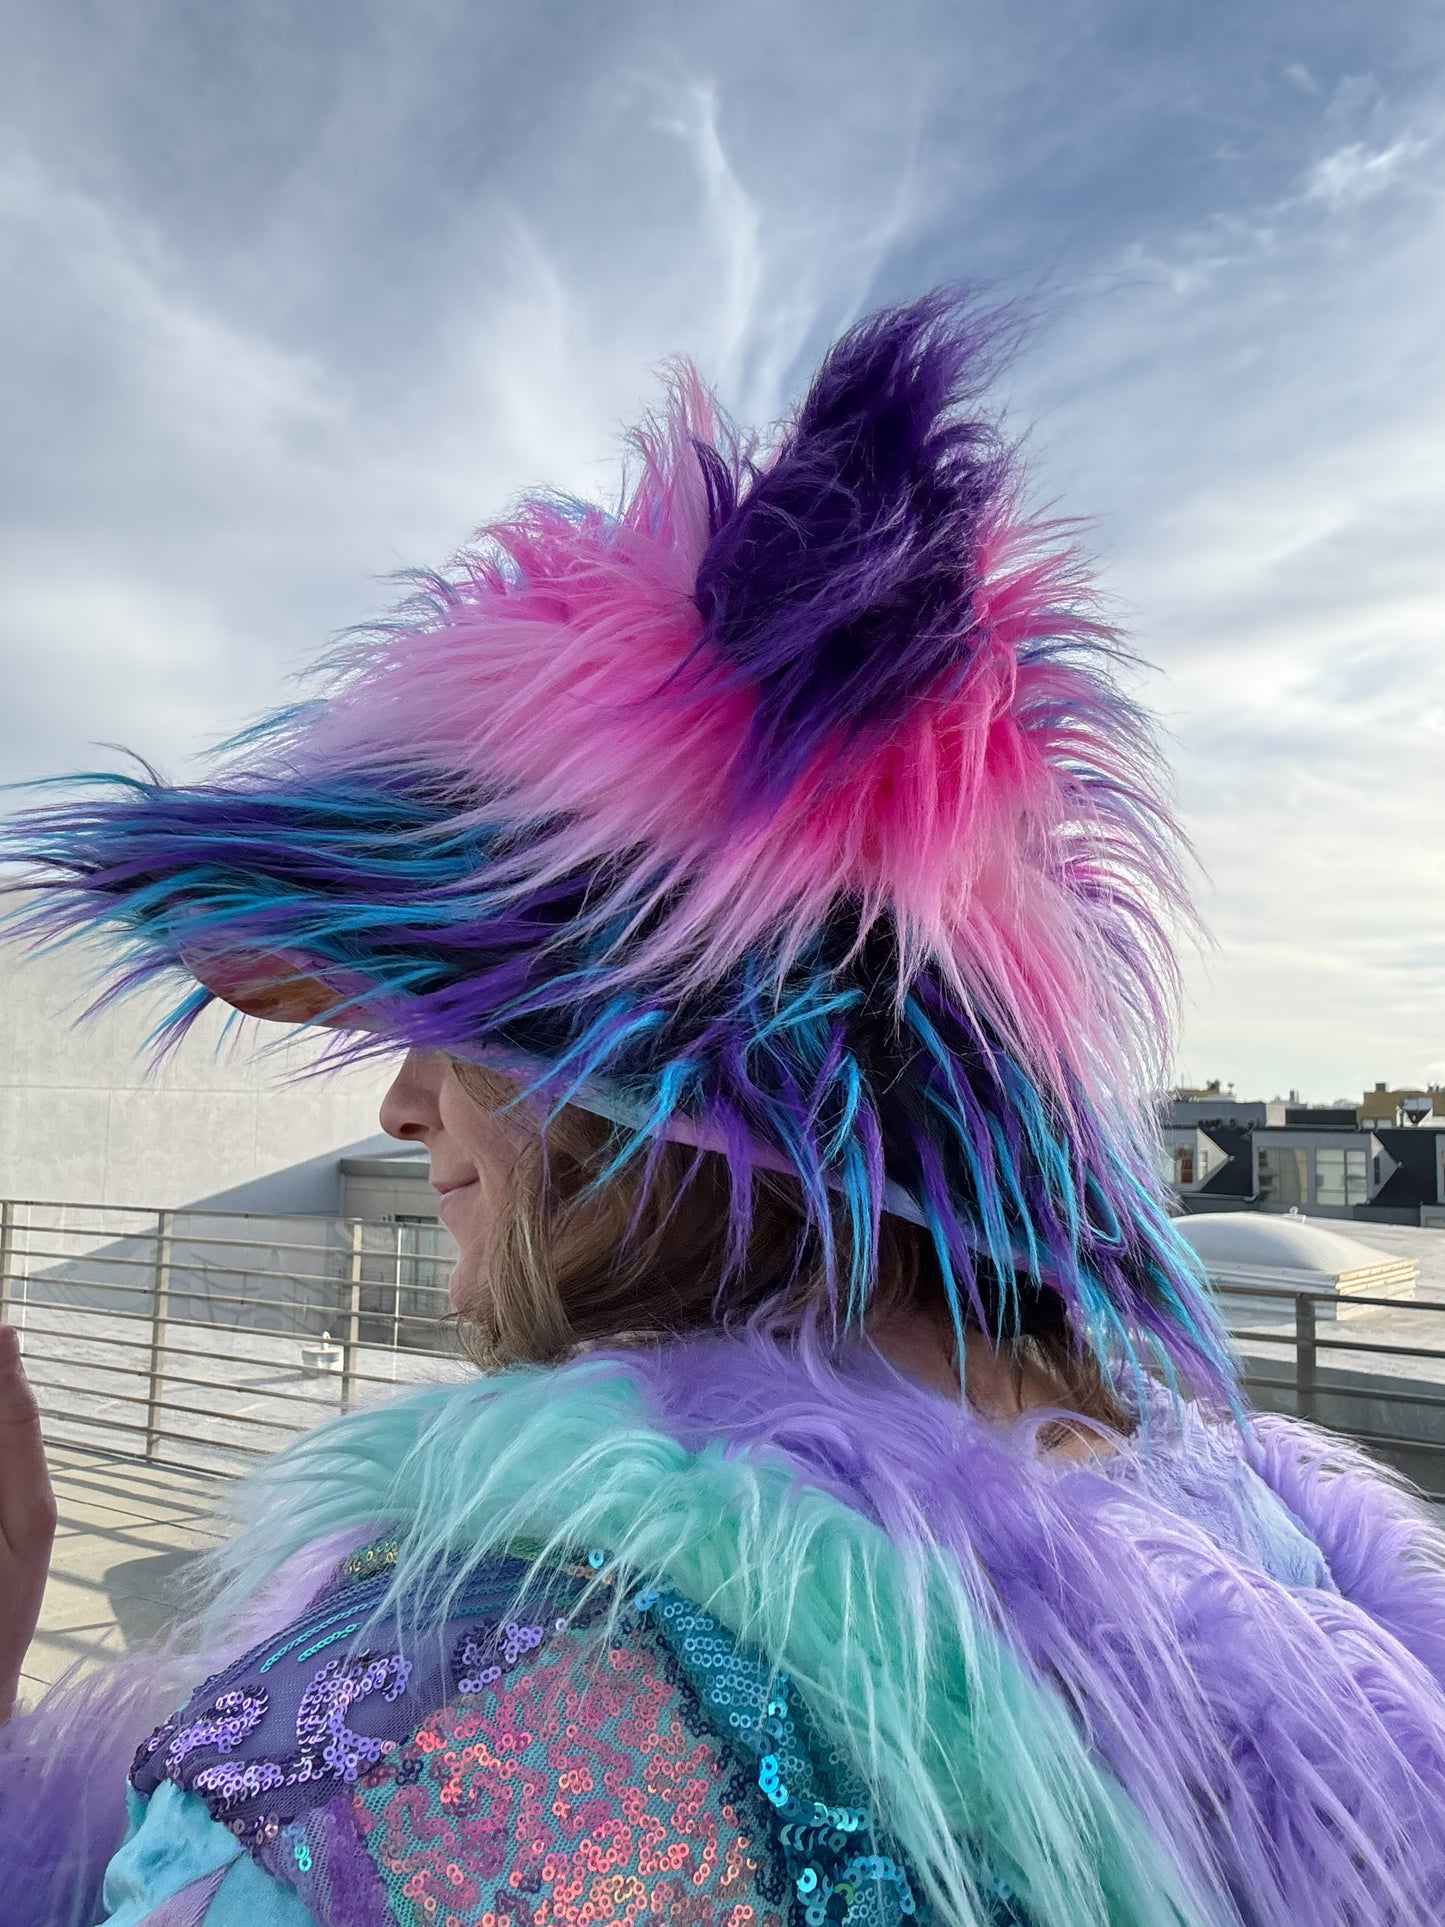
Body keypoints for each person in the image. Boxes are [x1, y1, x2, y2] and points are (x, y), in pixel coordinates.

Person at [3, 291, 1445, 1927]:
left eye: (448, 1029)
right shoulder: (1258, 1545)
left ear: (658, 1073)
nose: (402, 1107)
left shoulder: (455, 1726)